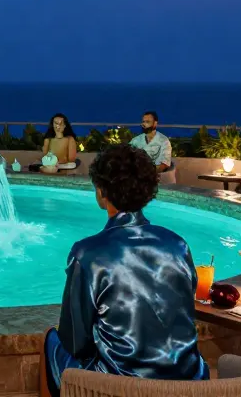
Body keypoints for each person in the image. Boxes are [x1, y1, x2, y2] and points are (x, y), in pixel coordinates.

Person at [40, 144, 208, 397]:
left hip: (121, 385)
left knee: (50, 340)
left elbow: (76, 341)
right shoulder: (178, 244)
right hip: (188, 378)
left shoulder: (88, 253)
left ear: (101, 191)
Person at [128, 111, 174, 184]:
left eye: (147, 122)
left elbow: (164, 164)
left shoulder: (164, 141)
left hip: (157, 179)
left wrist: (147, 173)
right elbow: (126, 155)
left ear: (155, 123)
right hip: (137, 179)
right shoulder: (136, 140)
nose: (144, 124)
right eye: (143, 121)